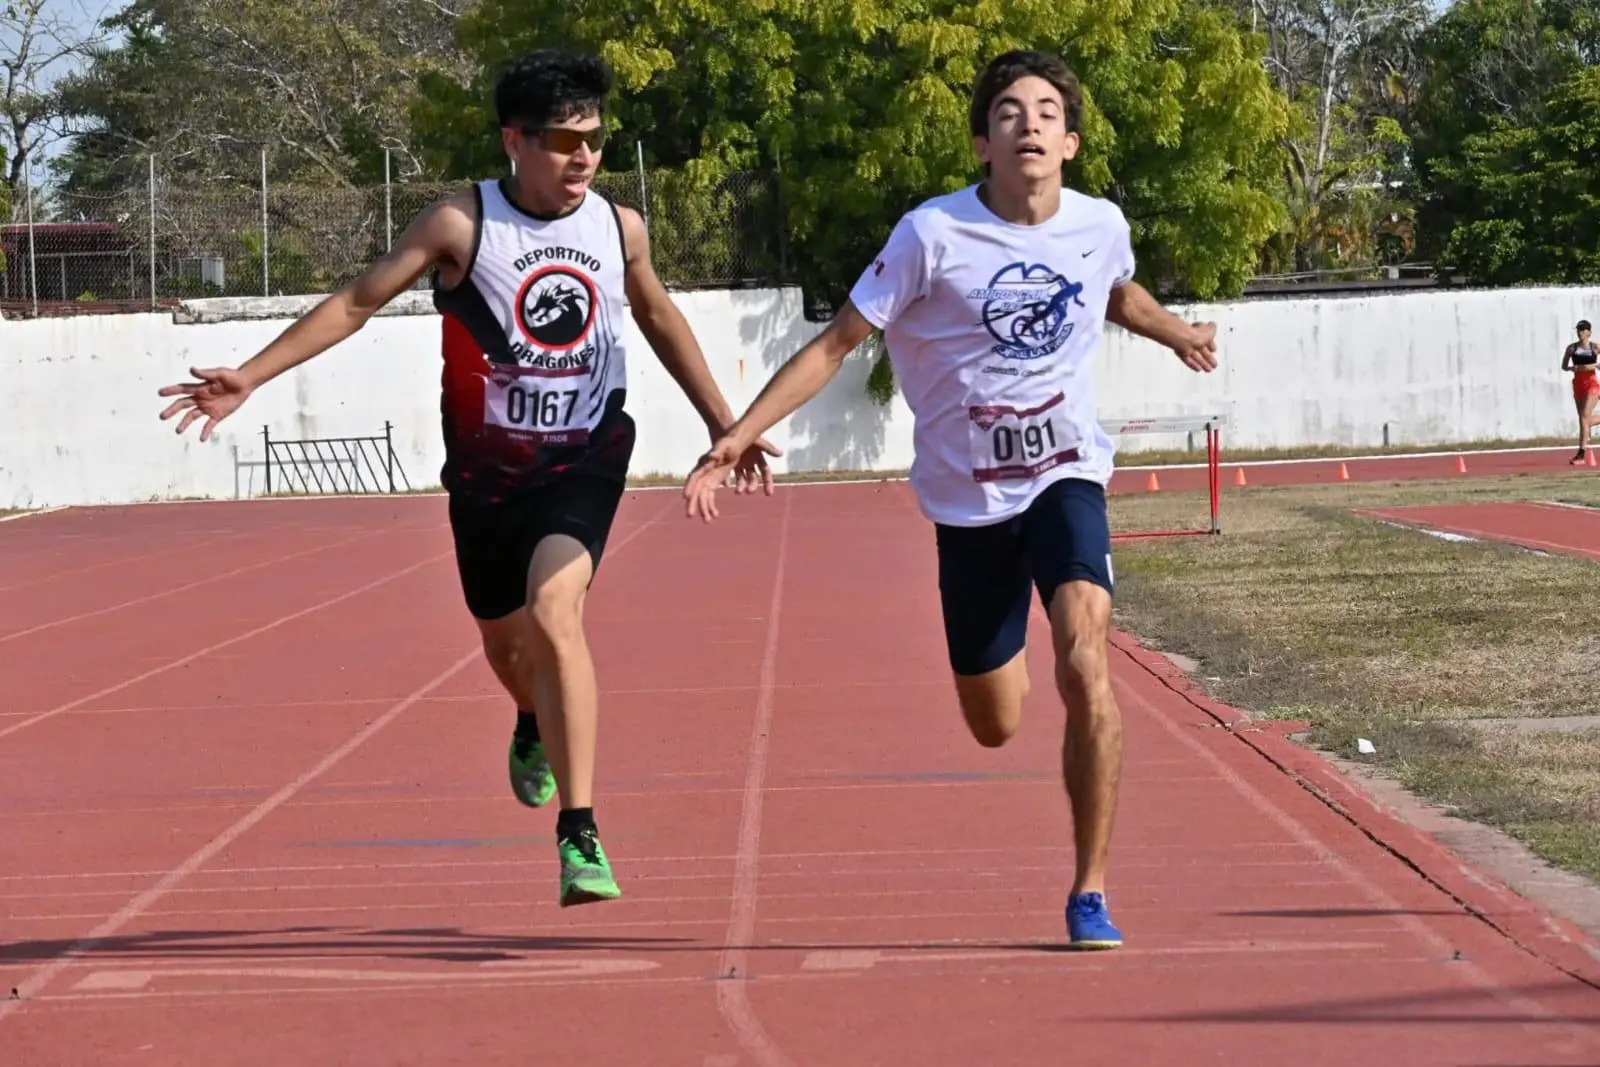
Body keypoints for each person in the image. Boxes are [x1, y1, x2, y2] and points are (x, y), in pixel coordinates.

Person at [157, 48, 777, 907]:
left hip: (585, 457)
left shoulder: (618, 227)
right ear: (514, 140)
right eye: (565, 140)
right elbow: (356, 301)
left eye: (594, 139)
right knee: (506, 644)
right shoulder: (460, 225)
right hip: (487, 476)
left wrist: (726, 422)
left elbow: (659, 311)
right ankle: (530, 719)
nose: (584, 158)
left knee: (557, 614)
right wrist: (253, 376)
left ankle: (580, 829)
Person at [681, 49, 1219, 949]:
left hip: (1066, 473)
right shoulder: (931, 235)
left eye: (1047, 111)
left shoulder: (1100, 224)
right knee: (995, 720)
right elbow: (839, 342)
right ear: (982, 141)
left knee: (1087, 658)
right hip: (968, 504)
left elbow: (1115, 289)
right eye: (1009, 112)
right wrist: (738, 429)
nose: (1030, 124)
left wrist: (1176, 334)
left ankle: (1090, 890)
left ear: (1073, 141)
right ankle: (999, 673)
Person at [1561, 319, 1598, 464]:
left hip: (1592, 384)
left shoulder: (1595, 347)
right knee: (1584, 419)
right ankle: (1582, 452)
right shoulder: (1572, 348)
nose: (1580, 333)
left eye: (1583, 330)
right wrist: (1571, 368)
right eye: (1578, 330)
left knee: (1583, 417)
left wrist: (1596, 365)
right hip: (1578, 384)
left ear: (1589, 332)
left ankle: (1581, 454)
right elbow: (1564, 366)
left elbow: (1593, 366)